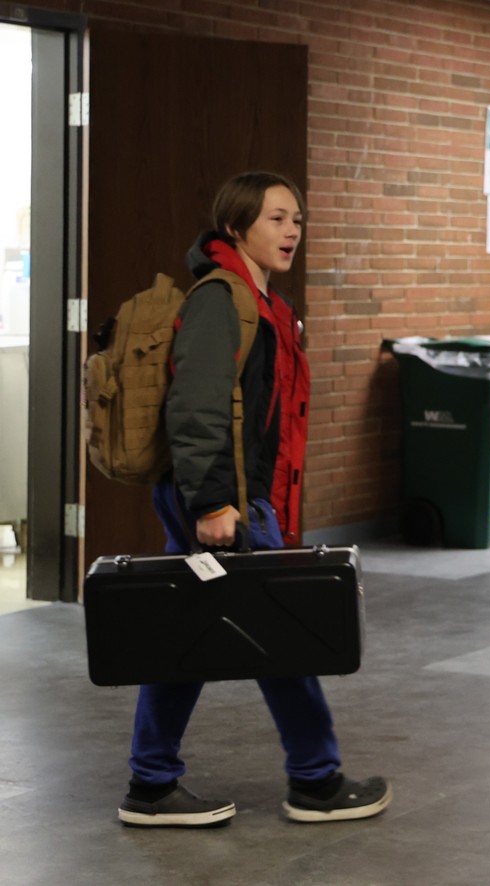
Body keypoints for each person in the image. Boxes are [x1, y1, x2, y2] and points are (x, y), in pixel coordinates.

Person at [117, 171, 392, 828]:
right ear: (236, 226)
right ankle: (315, 780)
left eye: (296, 217)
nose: (291, 229)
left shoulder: (260, 301)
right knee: (280, 634)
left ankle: (152, 783)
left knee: (197, 632)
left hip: (238, 497)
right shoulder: (222, 300)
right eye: (275, 218)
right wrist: (214, 503)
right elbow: (195, 408)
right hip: (225, 499)